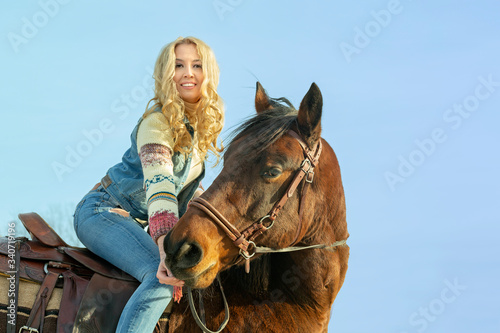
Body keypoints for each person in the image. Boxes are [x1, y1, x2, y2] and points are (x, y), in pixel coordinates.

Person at [73, 36, 224, 332]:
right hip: (102, 212)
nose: (188, 73)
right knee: (162, 278)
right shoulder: (157, 123)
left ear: (209, 73)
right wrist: (165, 248)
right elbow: (160, 185)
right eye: (178, 65)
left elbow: (193, 196)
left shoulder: (196, 136)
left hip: (136, 221)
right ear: (167, 74)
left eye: (197, 65)